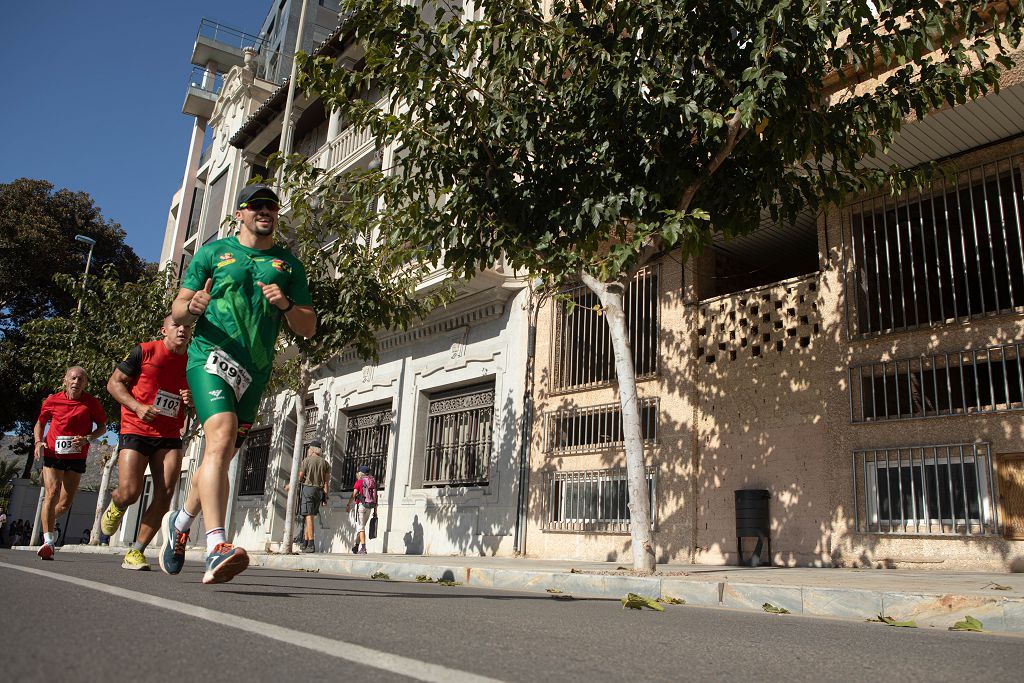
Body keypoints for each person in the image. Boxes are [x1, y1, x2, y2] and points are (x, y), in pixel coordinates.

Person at [166, 184, 316, 584]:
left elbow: (308, 326)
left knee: (220, 454)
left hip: (255, 372)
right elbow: (178, 310)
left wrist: (284, 304)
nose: (265, 211)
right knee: (221, 434)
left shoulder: (288, 264)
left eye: (271, 206)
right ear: (241, 214)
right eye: (257, 205)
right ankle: (216, 546)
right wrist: (191, 306)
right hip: (210, 357)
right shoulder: (213, 254)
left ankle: (180, 523)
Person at [100, 315, 193, 571]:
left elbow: (197, 400)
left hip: (170, 433)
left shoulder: (193, 360)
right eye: (176, 325)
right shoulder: (145, 351)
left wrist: (192, 398)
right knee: (130, 492)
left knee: (164, 495)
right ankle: (117, 504)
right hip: (136, 428)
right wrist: (137, 407)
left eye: (187, 326)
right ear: (164, 329)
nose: (182, 330)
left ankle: (136, 551)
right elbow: (113, 383)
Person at [33, 366, 106, 560]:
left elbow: (102, 427)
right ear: (65, 380)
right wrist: (38, 441)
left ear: (86, 383)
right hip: (53, 452)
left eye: (81, 379)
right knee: (52, 493)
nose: (76, 382)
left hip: (77, 456)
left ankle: (46, 520)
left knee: (64, 504)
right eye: (73, 378)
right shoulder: (52, 400)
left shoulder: (91, 403)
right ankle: (48, 541)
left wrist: (88, 438)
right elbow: (40, 422)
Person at [285, 441, 330, 553]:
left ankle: (311, 543)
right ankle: (305, 543)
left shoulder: (306, 461)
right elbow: (326, 482)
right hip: (319, 492)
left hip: (308, 490)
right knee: (309, 516)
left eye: (309, 448)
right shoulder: (325, 463)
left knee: (308, 516)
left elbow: (299, 477)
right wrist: (325, 497)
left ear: (313, 449)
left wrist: (290, 485)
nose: (308, 450)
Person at [345, 465, 377, 555]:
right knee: (361, 527)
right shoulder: (372, 482)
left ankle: (363, 548)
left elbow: (354, 494)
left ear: (360, 473)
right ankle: (356, 546)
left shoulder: (359, 482)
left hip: (360, 506)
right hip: (369, 506)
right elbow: (376, 497)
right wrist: (375, 511)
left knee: (360, 527)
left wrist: (348, 504)